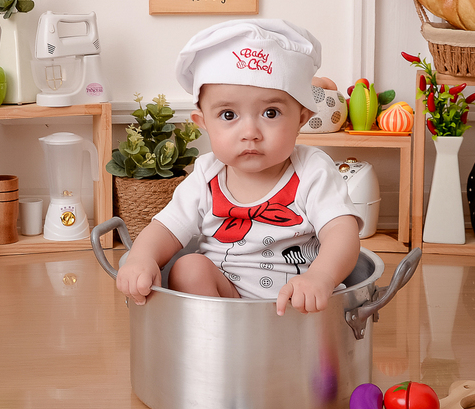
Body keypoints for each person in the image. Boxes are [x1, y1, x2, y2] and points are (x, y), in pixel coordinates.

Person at [115, 19, 362, 316]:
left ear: (301, 117)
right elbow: (165, 228)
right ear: (203, 123)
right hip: (224, 305)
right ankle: (217, 344)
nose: (250, 132)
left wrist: (320, 277)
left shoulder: (311, 169)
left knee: (323, 281)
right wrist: (141, 259)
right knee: (189, 267)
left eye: (271, 112)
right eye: (228, 114)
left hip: (298, 308)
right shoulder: (207, 176)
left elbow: (341, 232)